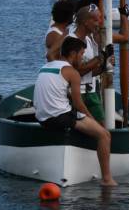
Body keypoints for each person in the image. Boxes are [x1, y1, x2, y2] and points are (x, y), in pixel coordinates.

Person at [33, 36, 115, 186]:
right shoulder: (72, 72)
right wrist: (92, 120)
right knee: (104, 135)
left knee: (75, 116)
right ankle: (107, 179)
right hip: (60, 117)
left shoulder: (45, 67)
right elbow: (79, 104)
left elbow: (59, 92)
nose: (83, 58)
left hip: (42, 119)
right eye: (82, 54)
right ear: (73, 54)